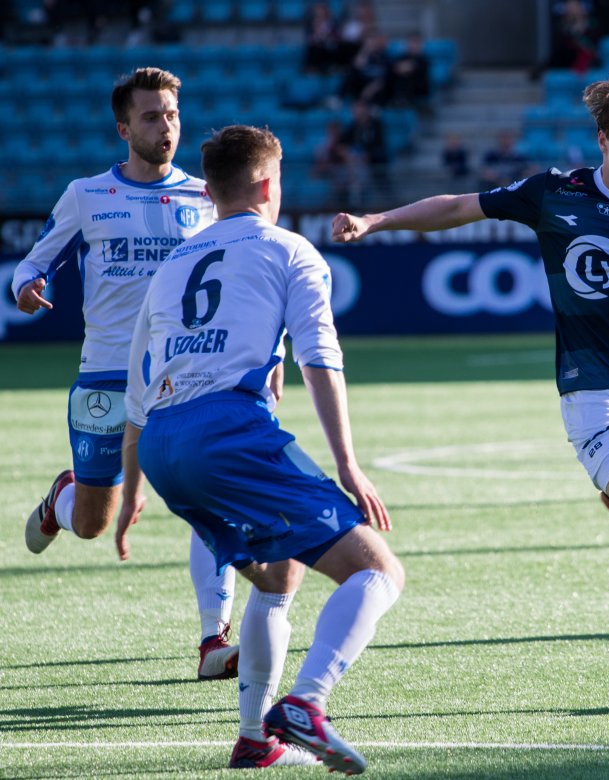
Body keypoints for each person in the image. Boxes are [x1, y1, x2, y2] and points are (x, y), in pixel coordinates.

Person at [331, 65, 609, 706]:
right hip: (593, 391)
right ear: (603, 140)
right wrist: (376, 220)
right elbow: (461, 206)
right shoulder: (555, 192)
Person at [115, 124, 406, 771]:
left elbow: (137, 394)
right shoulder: (289, 250)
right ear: (271, 184)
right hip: (229, 433)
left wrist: (133, 490)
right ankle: (306, 703)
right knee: (377, 571)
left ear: (211, 191)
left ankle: (254, 738)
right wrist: (348, 465)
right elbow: (320, 359)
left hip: (164, 447)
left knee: (278, 577)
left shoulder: (173, 264)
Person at [10, 66, 245, 682]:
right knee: (92, 523)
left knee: (211, 500)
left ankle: (213, 641)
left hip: (187, 379)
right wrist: (27, 287)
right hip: (107, 378)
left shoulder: (206, 196)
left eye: (170, 114)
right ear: (123, 127)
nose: (164, 125)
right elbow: (30, 265)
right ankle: (62, 501)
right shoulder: (87, 195)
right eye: (149, 116)